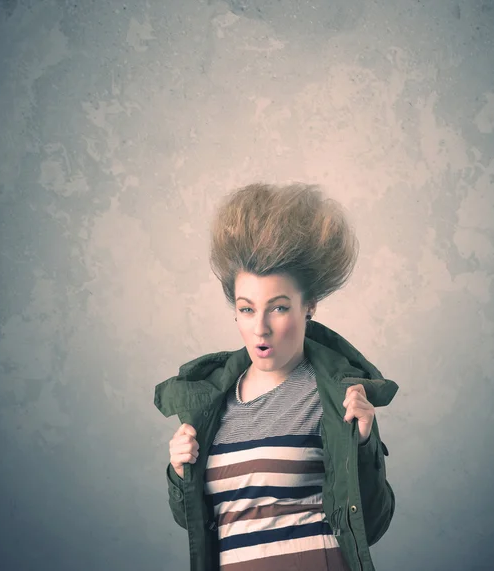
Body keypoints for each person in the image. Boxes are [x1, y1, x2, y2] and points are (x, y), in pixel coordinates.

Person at [154, 182, 399, 571]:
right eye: (248, 309)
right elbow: (196, 521)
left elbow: (371, 523)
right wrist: (180, 470)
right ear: (235, 311)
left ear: (309, 307)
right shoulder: (209, 403)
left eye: (279, 308)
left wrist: (364, 442)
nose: (261, 328)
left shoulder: (334, 398)